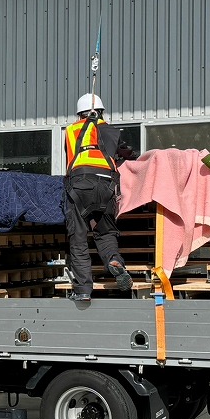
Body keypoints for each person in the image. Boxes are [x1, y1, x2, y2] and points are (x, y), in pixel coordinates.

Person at [63, 93, 133, 301]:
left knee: (78, 237)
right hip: (107, 185)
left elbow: (70, 158)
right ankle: (114, 261)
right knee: (105, 232)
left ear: (79, 114)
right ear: (102, 112)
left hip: (80, 184)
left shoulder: (71, 130)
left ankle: (83, 289)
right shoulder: (111, 130)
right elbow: (127, 153)